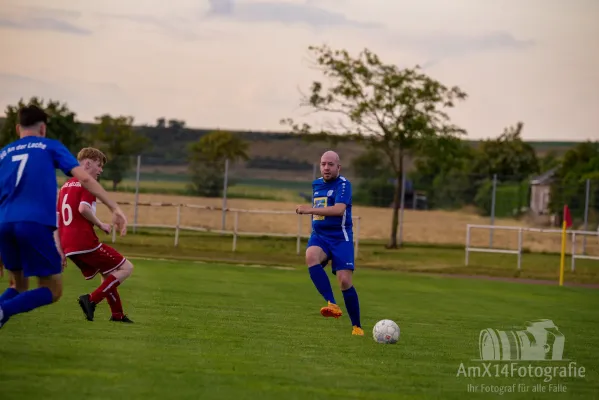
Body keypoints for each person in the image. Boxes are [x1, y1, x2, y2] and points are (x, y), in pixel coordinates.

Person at [0, 105, 128, 329]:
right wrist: (114, 208)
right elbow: (86, 180)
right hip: (33, 224)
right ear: (43, 129)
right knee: (52, 289)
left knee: (18, 286)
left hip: (4, 223)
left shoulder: (5, 152)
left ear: (18, 127)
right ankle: (3, 311)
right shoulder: (50, 147)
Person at [57, 147, 134, 323]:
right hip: (84, 242)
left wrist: (60, 249)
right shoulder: (87, 183)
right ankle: (91, 299)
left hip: (68, 245)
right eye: (99, 165)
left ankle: (117, 315)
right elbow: (83, 208)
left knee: (108, 274)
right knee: (126, 268)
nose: (101, 170)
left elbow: (58, 218)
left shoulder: (65, 187)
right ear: (87, 163)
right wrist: (100, 224)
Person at [295, 150, 363, 336]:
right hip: (320, 235)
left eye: (330, 164)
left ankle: (356, 326)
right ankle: (331, 303)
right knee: (310, 256)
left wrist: (309, 210)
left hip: (341, 238)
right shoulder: (316, 184)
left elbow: (340, 209)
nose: (326, 167)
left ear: (338, 167)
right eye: (323, 164)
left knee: (344, 281)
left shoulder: (343, 185)